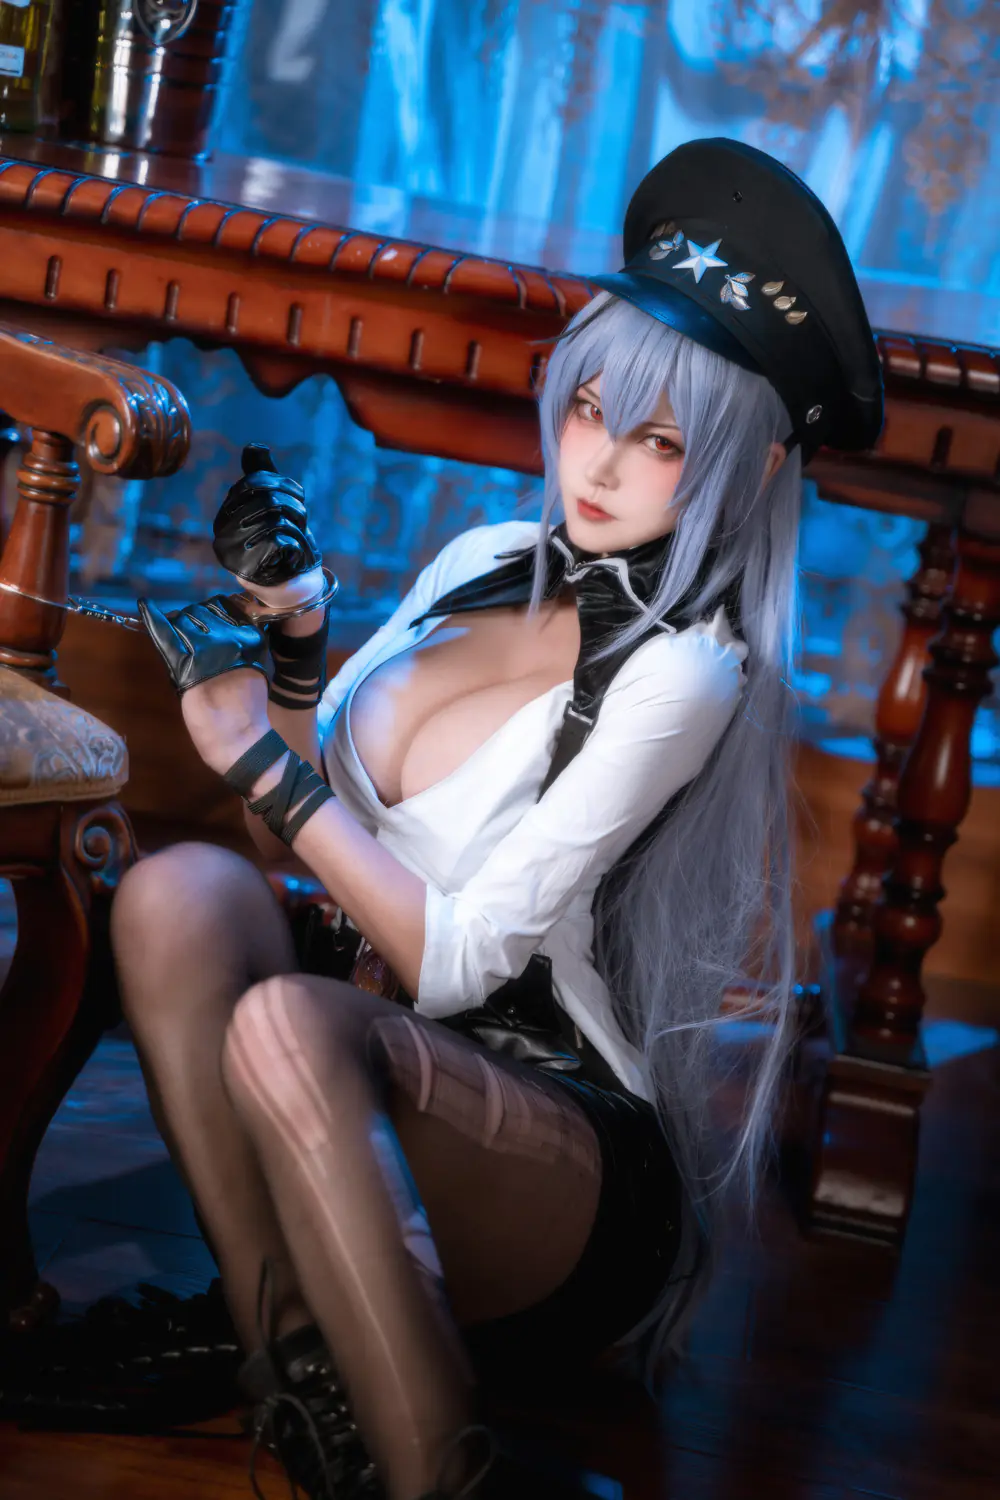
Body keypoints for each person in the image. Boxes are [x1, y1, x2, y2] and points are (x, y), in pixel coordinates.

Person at [110, 137, 883, 1500]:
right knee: (175, 894)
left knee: (286, 1018)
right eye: (590, 409)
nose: (602, 464)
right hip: (347, 1068)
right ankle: (294, 1369)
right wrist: (296, 643)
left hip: (545, 1150)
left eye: (661, 442)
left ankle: (440, 1473)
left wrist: (261, 766)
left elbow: (457, 962)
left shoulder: (686, 672)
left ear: (753, 467)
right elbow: (302, 836)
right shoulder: (480, 559)